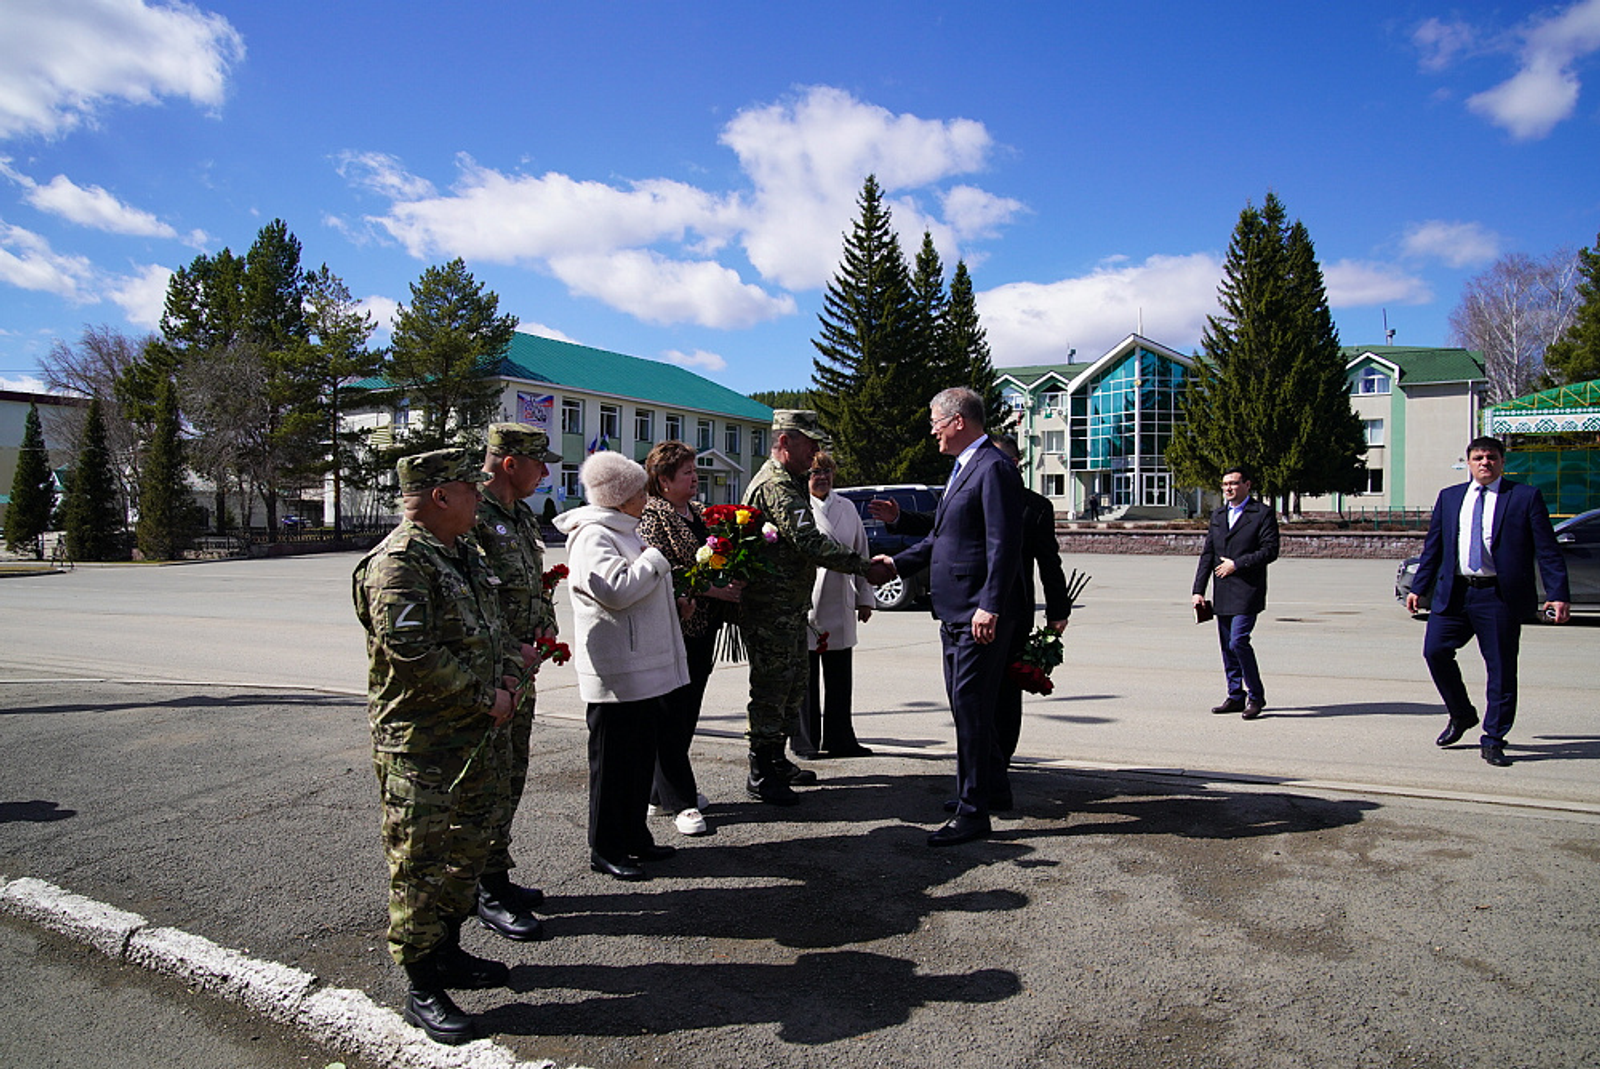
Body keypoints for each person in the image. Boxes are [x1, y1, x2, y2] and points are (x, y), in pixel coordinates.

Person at [352, 447, 530, 1046]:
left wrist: (510, 675)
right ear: (440, 496)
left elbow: (496, 629)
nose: (479, 496)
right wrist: (487, 696)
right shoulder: (399, 563)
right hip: (422, 745)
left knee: (471, 848)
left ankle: (448, 950)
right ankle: (422, 982)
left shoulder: (462, 552)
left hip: (477, 734)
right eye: (470, 488)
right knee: (420, 863)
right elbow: (413, 655)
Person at [739, 410, 896, 805]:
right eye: (809, 444)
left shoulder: (791, 481)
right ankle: (761, 771)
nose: (815, 453)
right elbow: (808, 541)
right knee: (771, 689)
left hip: (790, 607)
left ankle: (777, 760)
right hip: (770, 609)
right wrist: (864, 567)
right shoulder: (775, 485)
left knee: (792, 687)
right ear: (784, 441)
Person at [890, 387, 1023, 846]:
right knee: (968, 706)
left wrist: (990, 604)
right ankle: (992, 789)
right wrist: (894, 564)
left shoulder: (993, 467)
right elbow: (941, 538)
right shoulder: (965, 466)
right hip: (954, 610)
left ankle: (973, 812)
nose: (933, 432)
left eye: (936, 423)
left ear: (958, 421)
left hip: (976, 613)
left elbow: (1004, 544)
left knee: (970, 709)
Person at [554, 451, 689, 880]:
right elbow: (615, 590)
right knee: (613, 765)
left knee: (638, 758)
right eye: (639, 492)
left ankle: (634, 836)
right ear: (620, 496)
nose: (646, 499)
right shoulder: (593, 536)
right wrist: (654, 561)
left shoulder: (623, 531)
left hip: (641, 670)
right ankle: (607, 847)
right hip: (618, 674)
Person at [1406, 435, 1570, 767]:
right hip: (1455, 593)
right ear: (1468, 463)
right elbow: (1434, 546)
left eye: (1491, 457)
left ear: (1502, 462)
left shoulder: (1524, 497)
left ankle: (1494, 738)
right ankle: (1462, 714)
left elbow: (1547, 550)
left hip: (1498, 597)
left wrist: (1557, 594)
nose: (1485, 463)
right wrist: (1418, 587)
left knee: (1500, 669)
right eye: (1478, 458)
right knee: (1435, 651)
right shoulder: (1450, 497)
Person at [471, 422, 562, 942]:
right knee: (488, 783)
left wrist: (546, 623)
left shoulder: (520, 515)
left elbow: (530, 584)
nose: (545, 472)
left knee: (511, 775)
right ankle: (483, 887)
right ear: (510, 463)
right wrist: (510, 648)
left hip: (521, 668)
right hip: (490, 672)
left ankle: (495, 874)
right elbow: (472, 597)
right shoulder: (472, 514)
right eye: (538, 462)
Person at [637, 439, 740, 836]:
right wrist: (712, 589)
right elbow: (659, 569)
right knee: (671, 714)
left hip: (703, 626)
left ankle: (658, 793)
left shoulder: (697, 512)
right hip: (673, 627)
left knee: (687, 711)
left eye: (695, 471)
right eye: (687, 473)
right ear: (663, 480)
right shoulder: (653, 515)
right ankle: (681, 802)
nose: (695, 478)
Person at [989, 434, 1072, 776]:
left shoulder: (1035, 507)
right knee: (977, 694)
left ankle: (1001, 763)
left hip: (1014, 614)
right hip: (973, 611)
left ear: (1014, 464)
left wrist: (1058, 611)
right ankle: (980, 766)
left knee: (1008, 692)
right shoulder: (976, 496)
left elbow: (1049, 562)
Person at [799, 451, 876, 758]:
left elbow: (861, 551)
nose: (822, 478)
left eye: (827, 472)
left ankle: (840, 738)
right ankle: (806, 741)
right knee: (805, 680)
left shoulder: (847, 507)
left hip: (840, 598)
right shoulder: (797, 507)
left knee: (840, 677)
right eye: (815, 472)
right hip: (808, 601)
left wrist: (865, 598)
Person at [1191, 466, 1279, 720]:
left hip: (1248, 589)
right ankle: (1235, 695)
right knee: (1227, 647)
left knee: (1238, 641)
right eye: (1225, 484)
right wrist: (1198, 590)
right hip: (1223, 591)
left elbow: (1270, 550)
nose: (1228, 488)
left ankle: (1256, 696)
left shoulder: (1261, 513)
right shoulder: (1219, 515)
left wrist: (1238, 564)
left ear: (1247, 485)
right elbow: (1208, 554)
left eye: (1233, 483)